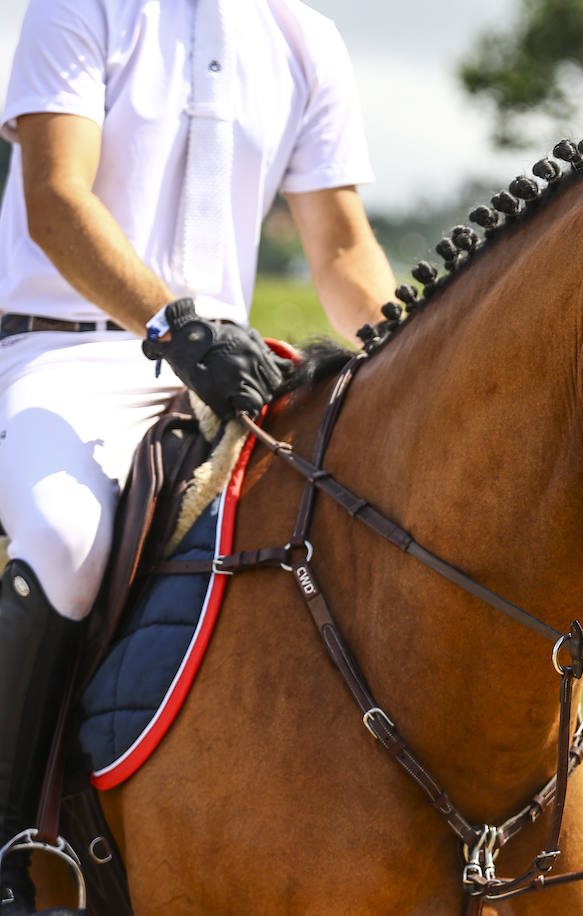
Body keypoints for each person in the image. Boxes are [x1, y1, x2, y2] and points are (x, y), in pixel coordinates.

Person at [0, 1, 397, 910]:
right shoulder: (81, 7)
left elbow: (339, 247)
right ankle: (14, 849)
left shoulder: (302, 37)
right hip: (67, 350)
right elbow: (57, 199)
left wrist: (412, 358)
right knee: (64, 537)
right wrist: (174, 325)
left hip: (228, 368)